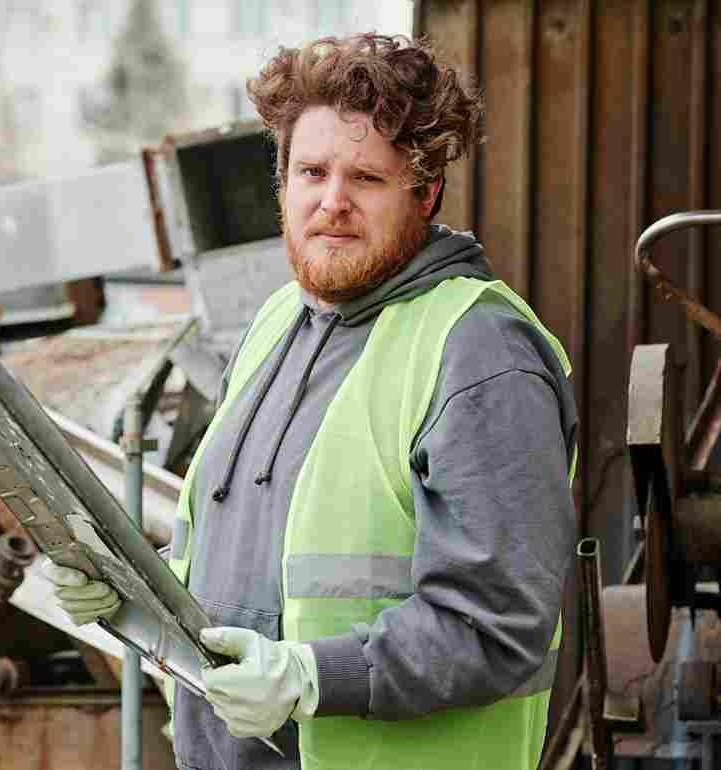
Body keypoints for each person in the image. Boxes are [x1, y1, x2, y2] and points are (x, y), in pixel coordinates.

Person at [46, 33, 577, 770]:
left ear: (424, 194)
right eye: (310, 172)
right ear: (282, 182)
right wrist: (130, 594)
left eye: (364, 177)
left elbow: (498, 628)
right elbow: (249, 571)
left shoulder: (479, 356)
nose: (331, 203)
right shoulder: (278, 322)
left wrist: (309, 678)